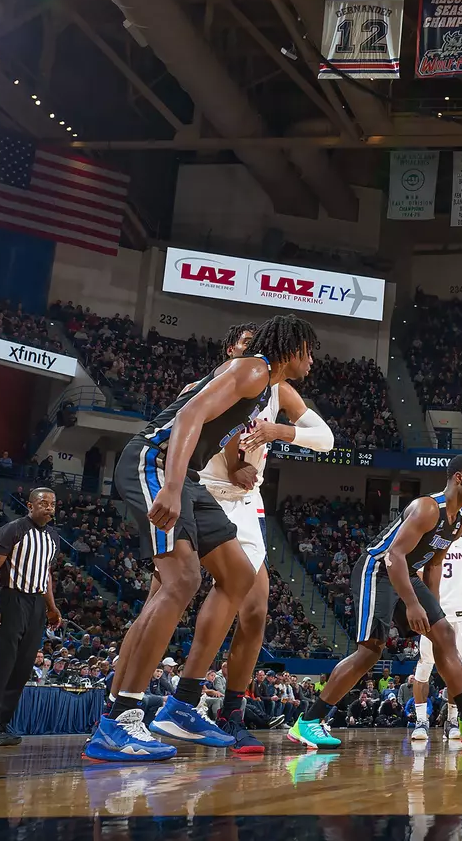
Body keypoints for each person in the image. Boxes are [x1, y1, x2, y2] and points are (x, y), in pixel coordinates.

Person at [85, 314, 317, 762]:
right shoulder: (253, 369)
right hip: (154, 462)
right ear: (291, 348)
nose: (312, 360)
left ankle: (182, 707)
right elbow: (190, 414)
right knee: (182, 581)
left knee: (237, 577)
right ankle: (120, 719)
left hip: (188, 477)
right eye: (309, 350)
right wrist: (171, 486)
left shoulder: (266, 386)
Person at [155, 323, 337, 756]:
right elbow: (187, 432)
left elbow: (326, 440)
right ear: (230, 350)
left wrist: (279, 432)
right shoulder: (213, 383)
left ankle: (231, 713)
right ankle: (138, 703)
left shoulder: (276, 388)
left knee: (255, 610)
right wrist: (234, 460)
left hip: (245, 502)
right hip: (200, 491)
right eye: (242, 345)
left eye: (255, 345)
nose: (250, 353)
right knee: (163, 596)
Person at [288, 455, 462, 748]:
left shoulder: (458, 523)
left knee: (444, 633)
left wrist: (432, 610)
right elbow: (394, 556)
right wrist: (413, 605)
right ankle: (308, 722)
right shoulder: (428, 508)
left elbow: (433, 566)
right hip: (378, 570)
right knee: (369, 653)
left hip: (407, 574)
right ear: (459, 478)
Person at [0, 488, 61, 746]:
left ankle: (1, 724)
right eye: (43, 503)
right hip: (10, 598)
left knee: (22, 668)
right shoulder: (13, 529)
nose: (48, 508)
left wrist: (51, 607)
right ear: (29, 505)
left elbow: (45, 574)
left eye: (52, 504)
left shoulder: (53, 538)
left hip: (35, 604)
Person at [416, 533, 462, 744]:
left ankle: (451, 721)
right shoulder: (430, 542)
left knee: (456, 671)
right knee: (424, 668)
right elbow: (419, 577)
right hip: (434, 614)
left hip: (459, 616)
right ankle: (421, 722)